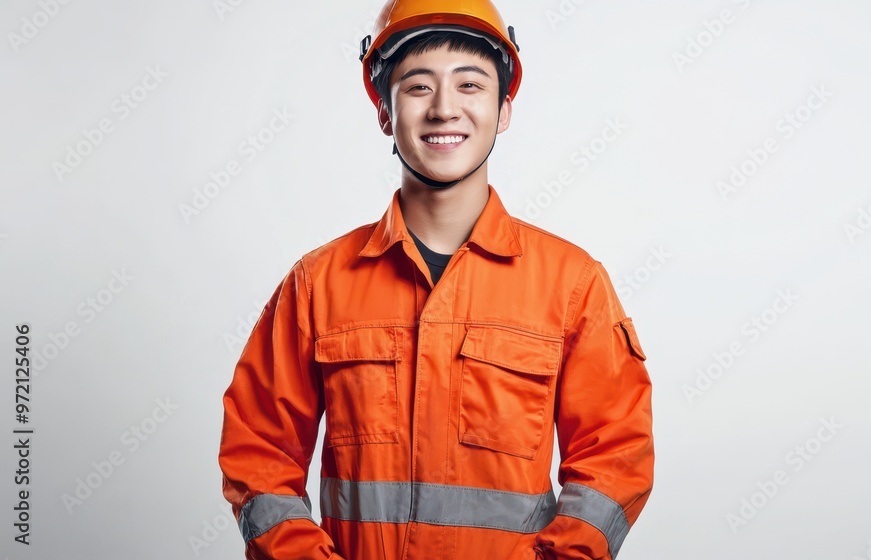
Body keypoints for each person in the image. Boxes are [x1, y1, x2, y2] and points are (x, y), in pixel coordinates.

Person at [218, 1, 654, 558]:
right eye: (418, 87)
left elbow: (616, 457)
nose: (445, 109)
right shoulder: (317, 284)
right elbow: (258, 452)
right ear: (384, 111)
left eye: (471, 84)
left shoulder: (572, 284)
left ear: (505, 109)